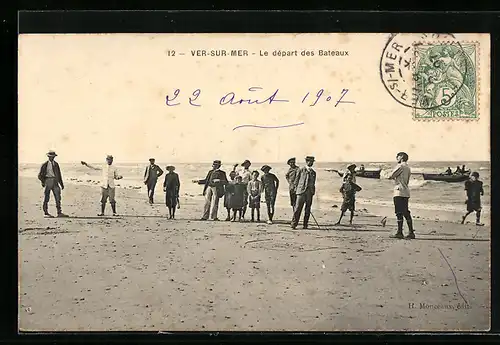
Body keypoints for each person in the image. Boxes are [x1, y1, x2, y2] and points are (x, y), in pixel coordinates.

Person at [389, 152, 414, 239]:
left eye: (398, 156)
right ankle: (411, 232)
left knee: (398, 212)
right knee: (406, 212)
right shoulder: (408, 167)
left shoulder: (400, 166)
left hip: (399, 191)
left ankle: (400, 232)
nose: (396, 158)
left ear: (402, 157)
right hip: (406, 191)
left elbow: (391, 175)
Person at [38, 150, 68, 218]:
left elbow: (59, 175)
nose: (52, 158)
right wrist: (44, 182)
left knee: (58, 197)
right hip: (48, 180)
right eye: (51, 156)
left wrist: (61, 184)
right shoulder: (44, 164)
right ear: (48, 157)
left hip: (55, 181)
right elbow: (39, 175)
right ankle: (46, 212)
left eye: (53, 157)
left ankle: (59, 212)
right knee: (47, 197)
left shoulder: (56, 164)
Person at [291, 156, 317, 230]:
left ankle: (305, 224)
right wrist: (296, 190)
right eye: (310, 161)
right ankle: (294, 224)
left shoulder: (313, 172)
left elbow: (313, 183)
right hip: (301, 192)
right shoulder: (301, 170)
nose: (311, 163)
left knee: (307, 209)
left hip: (309, 193)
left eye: (312, 162)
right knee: (298, 209)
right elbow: (296, 181)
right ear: (307, 161)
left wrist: (312, 192)